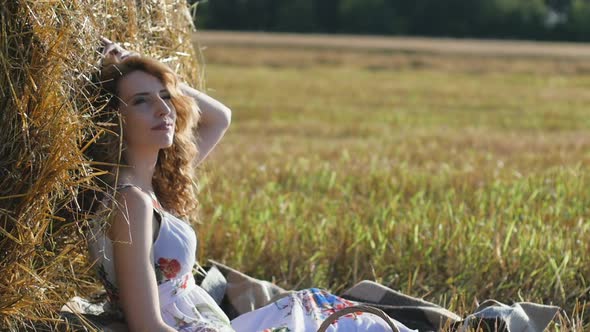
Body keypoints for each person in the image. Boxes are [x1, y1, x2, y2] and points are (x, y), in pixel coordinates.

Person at [86, 38, 415, 332]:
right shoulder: (132, 201)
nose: (163, 109)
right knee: (317, 313)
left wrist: (136, 60)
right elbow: (146, 325)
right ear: (114, 117)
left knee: (314, 305)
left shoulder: (155, 183)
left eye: (165, 97)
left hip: (207, 322)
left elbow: (220, 117)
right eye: (141, 101)